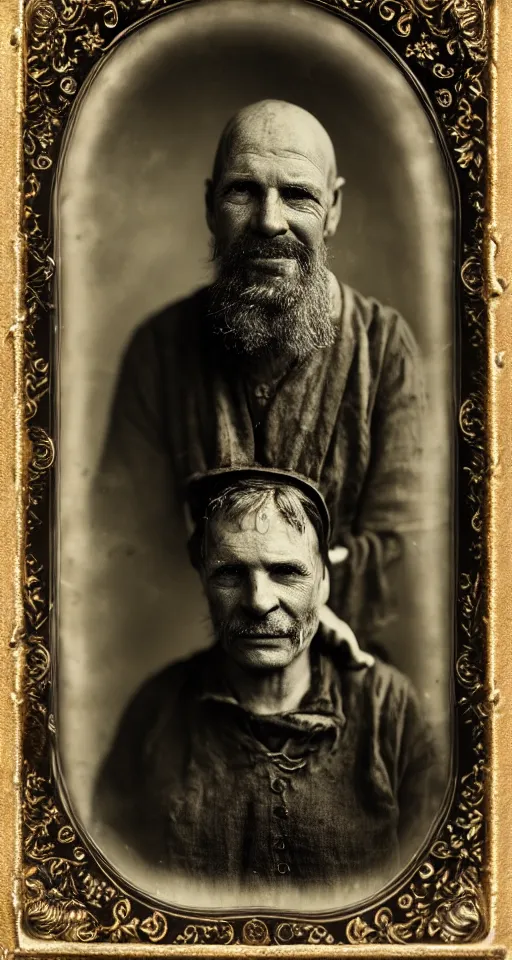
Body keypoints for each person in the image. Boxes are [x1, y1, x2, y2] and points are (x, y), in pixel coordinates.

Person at [97, 98, 426, 643]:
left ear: (335, 208)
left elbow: (409, 557)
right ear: (210, 206)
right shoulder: (157, 351)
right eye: (242, 191)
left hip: (353, 673)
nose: (269, 221)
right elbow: (122, 556)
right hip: (197, 673)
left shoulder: (386, 348)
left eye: (298, 194)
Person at [93, 468, 441, 903]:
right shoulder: (156, 710)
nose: (258, 600)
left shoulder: (391, 709)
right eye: (230, 573)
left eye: (286, 572)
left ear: (324, 581)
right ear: (203, 579)